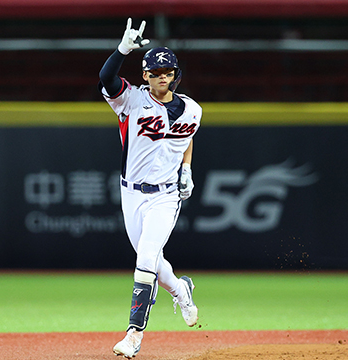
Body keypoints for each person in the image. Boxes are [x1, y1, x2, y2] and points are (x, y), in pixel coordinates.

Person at [98, 18, 201, 358]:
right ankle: (181, 289)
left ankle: (133, 335)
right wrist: (123, 49)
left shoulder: (192, 110)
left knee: (145, 259)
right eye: (155, 72)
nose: (161, 77)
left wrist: (186, 168)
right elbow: (106, 79)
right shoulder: (129, 100)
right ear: (144, 75)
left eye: (167, 72)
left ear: (175, 76)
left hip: (165, 196)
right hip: (131, 193)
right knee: (154, 263)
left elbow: (185, 139)